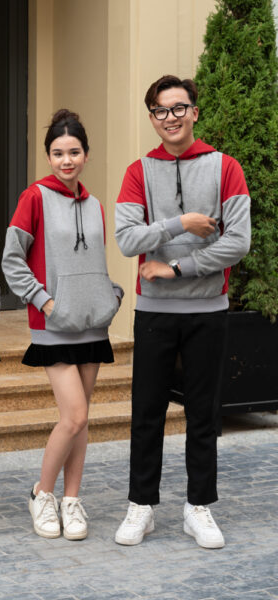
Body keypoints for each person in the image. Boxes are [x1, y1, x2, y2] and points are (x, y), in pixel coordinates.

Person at [114, 75, 250, 549]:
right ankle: (141, 506)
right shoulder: (138, 172)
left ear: (194, 111)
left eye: (177, 108)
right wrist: (180, 223)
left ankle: (198, 507)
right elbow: (127, 239)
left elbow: (238, 242)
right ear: (152, 117)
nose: (169, 118)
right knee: (146, 412)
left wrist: (175, 266)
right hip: (154, 311)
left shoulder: (225, 167)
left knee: (204, 413)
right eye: (159, 110)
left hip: (208, 309)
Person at [1, 109, 123, 540]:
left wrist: (110, 296)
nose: (66, 160)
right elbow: (11, 261)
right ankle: (42, 493)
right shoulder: (33, 198)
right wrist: (46, 302)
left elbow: (93, 263)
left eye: (73, 152)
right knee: (73, 416)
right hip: (54, 325)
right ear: (48, 156)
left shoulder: (94, 206)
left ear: (86, 155)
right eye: (57, 153)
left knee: (81, 419)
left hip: (92, 325)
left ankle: (71, 500)